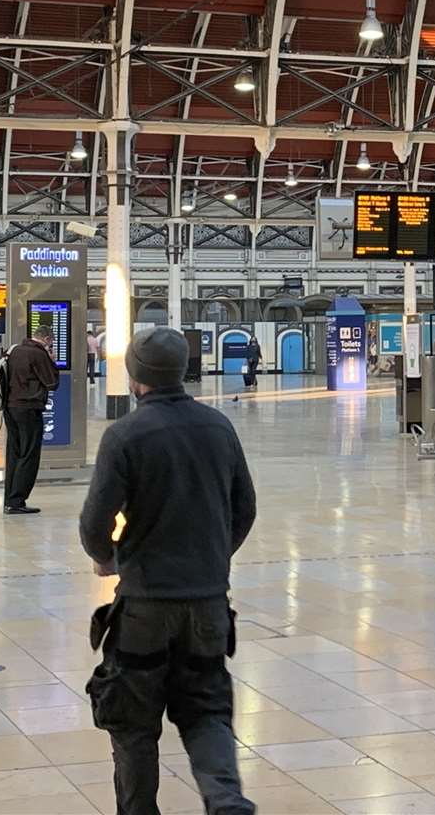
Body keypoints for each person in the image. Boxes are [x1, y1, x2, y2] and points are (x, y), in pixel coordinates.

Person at [80, 327, 257, 815]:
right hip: (207, 604)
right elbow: (245, 508)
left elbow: (95, 522)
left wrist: (108, 557)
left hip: (144, 607)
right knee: (206, 711)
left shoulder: (126, 435)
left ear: (135, 377)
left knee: (133, 723)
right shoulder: (218, 426)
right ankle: (226, 802)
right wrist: (214, 557)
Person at [3, 324, 60, 515]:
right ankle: (18, 500)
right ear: (47, 339)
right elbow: (52, 383)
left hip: (10, 407)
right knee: (29, 454)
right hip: (29, 408)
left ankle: (9, 499)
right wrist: (52, 362)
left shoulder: (15, 350)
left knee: (14, 453)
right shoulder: (39, 354)